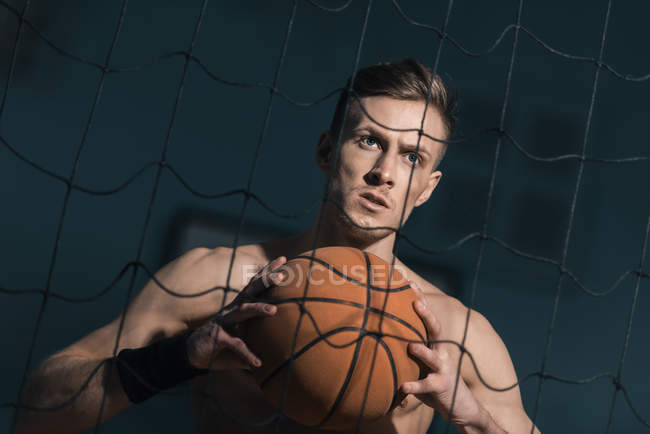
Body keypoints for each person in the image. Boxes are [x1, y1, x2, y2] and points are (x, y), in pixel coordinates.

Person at [15, 59, 540, 434]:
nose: (384, 172)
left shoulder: (456, 333)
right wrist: (178, 358)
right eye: (369, 141)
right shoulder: (214, 280)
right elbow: (37, 412)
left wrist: (478, 422)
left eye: (412, 157)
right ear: (326, 150)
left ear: (427, 187)